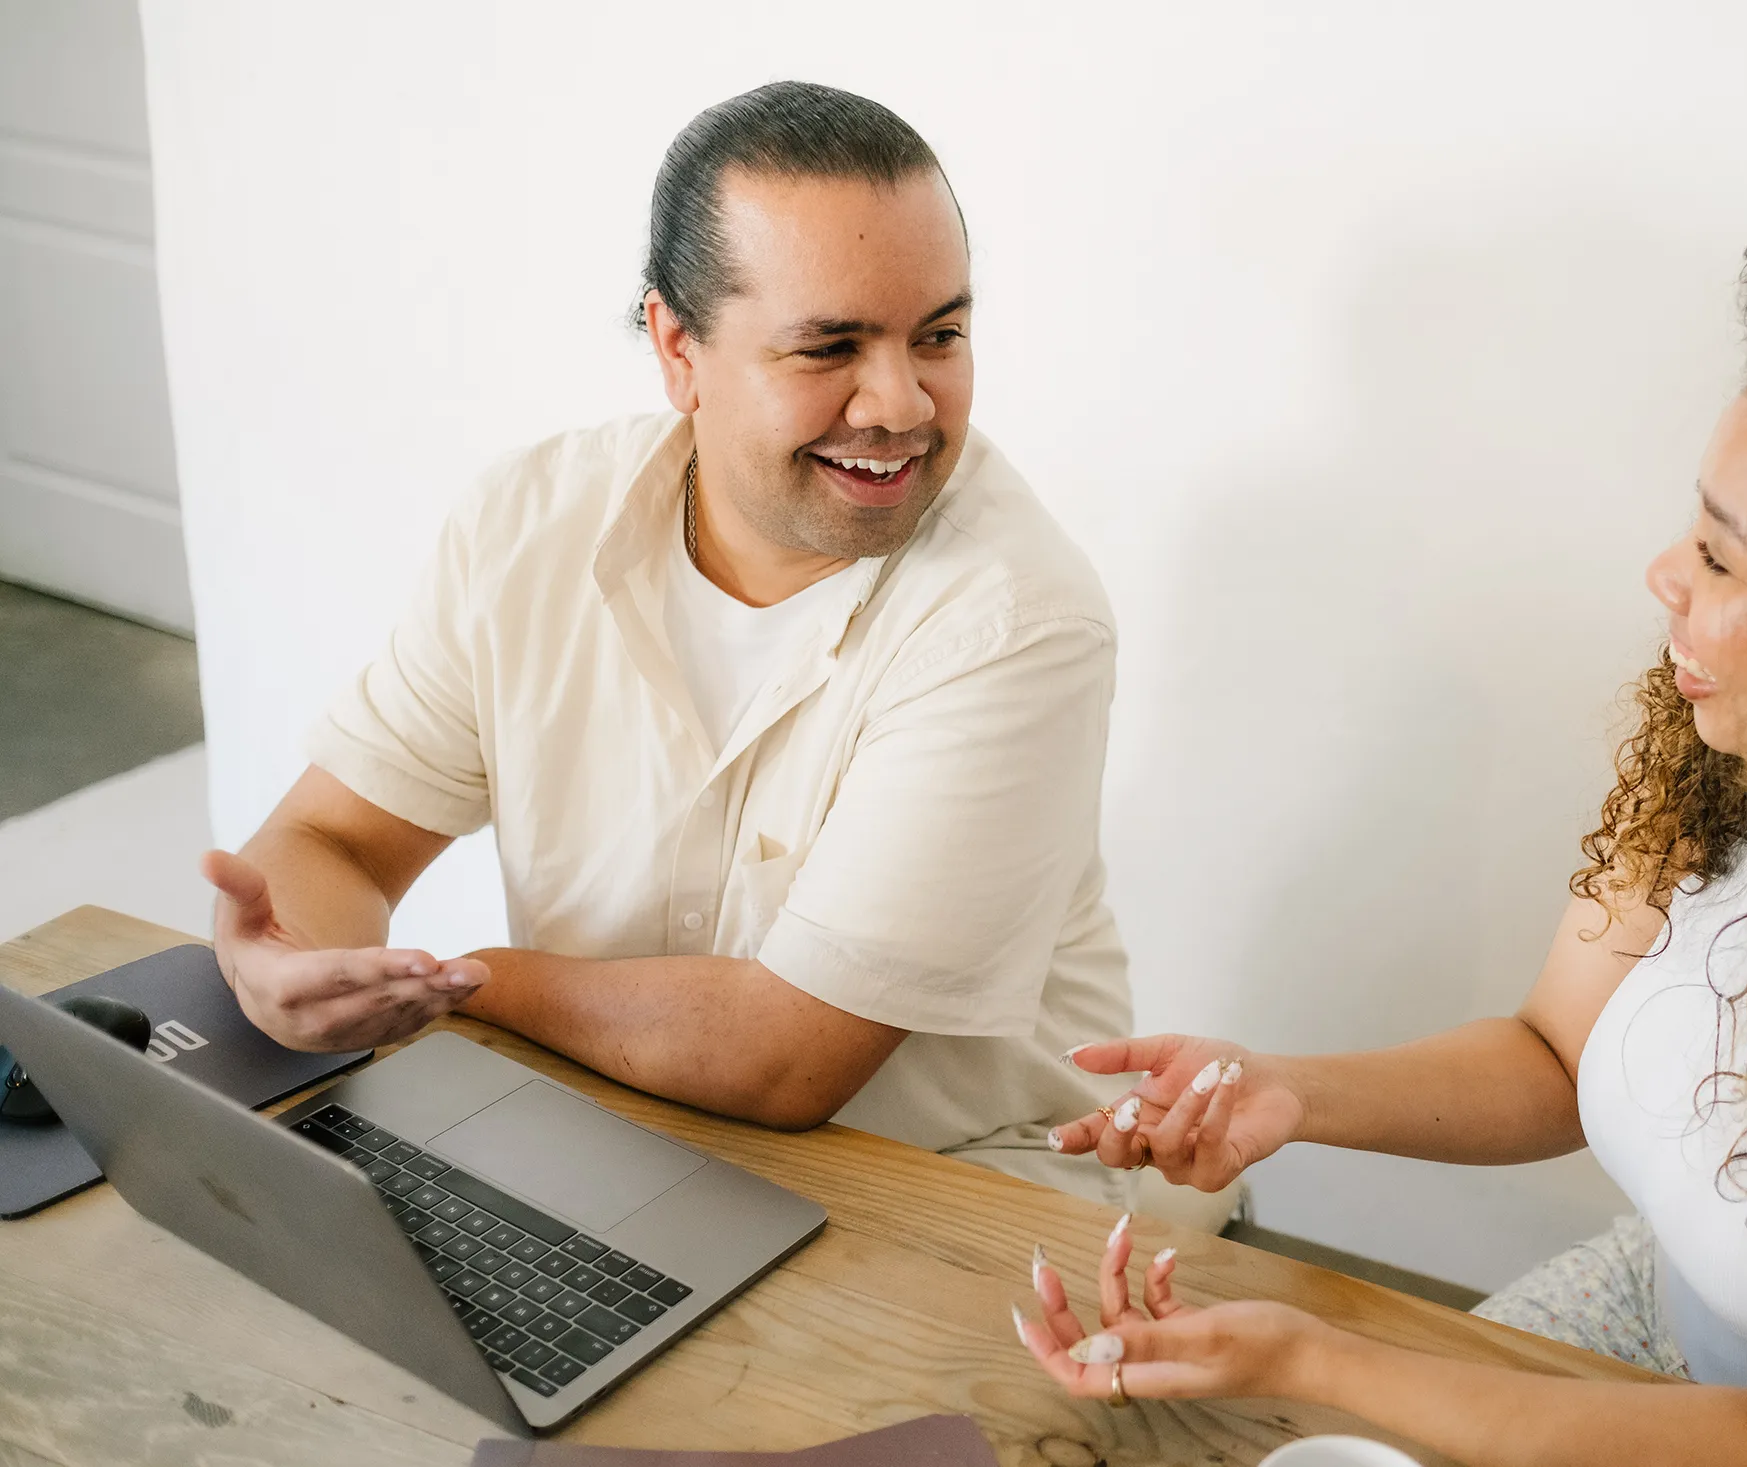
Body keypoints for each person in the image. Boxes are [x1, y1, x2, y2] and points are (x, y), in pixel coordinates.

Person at [1015, 220, 1747, 1466]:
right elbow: (1550, 1052)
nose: (1661, 576)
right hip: (1659, 1327)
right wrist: (1287, 1092)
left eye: (1717, 552)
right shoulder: (1736, 744)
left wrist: (1312, 1358)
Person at [200, 81, 1135, 1207]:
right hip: (626, 1144)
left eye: (938, 334)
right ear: (677, 345)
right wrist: (297, 966)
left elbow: (787, 1055)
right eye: (829, 346)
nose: (900, 403)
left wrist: (460, 985)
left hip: (965, 1192)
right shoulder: (527, 526)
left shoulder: (1016, 621)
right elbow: (331, 840)